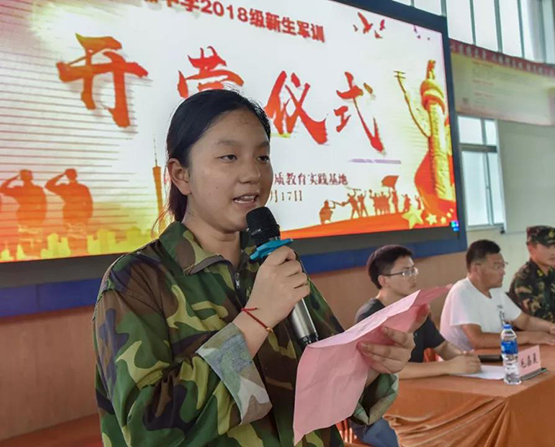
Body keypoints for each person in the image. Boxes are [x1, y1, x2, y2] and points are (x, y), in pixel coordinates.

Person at [93, 90, 421, 447]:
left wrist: (373, 365)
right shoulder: (136, 281)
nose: (253, 173)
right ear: (180, 174)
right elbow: (146, 430)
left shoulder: (276, 262)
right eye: (229, 156)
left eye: (262, 157)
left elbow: (328, 380)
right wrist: (256, 319)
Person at [351, 245, 481, 447]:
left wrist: (462, 357)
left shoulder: (416, 310)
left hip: (416, 402)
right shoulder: (370, 316)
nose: (413, 276)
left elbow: (442, 347)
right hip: (378, 416)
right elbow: (391, 371)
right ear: (383, 280)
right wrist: (449, 366)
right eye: (405, 272)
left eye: (413, 270)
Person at [440, 240, 555, 351]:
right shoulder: (462, 292)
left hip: (495, 355)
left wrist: (552, 327)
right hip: (463, 364)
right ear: (476, 268)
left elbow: (525, 321)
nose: (503, 272)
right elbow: (478, 340)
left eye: (503, 266)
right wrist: (528, 337)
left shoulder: (495, 291)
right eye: (497, 267)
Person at [508, 226, 555, 324]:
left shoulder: (551, 273)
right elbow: (538, 318)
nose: (553, 252)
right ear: (531, 248)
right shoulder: (524, 278)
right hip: (535, 333)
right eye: (547, 247)